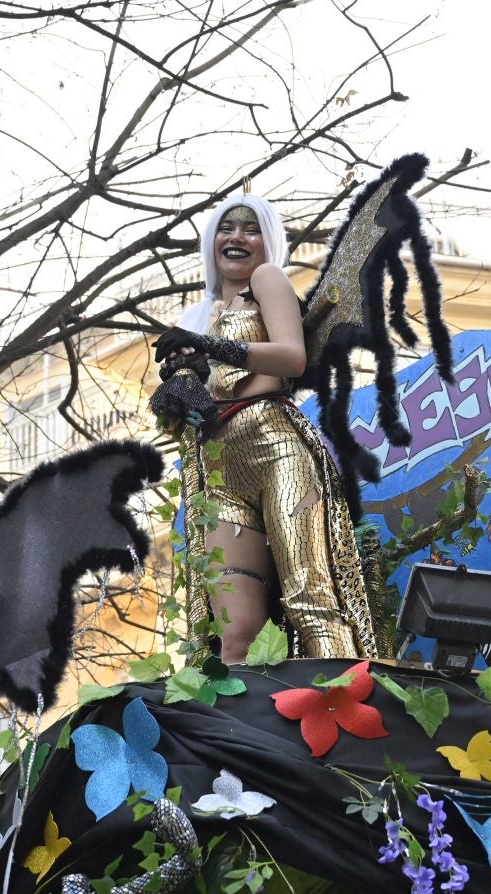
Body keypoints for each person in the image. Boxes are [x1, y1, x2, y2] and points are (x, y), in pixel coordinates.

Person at [154, 195, 376, 663]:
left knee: (310, 598)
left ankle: (344, 709)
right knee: (233, 632)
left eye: (249, 228)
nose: (236, 237)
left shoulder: (266, 279)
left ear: (267, 240)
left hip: (273, 443)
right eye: (226, 227)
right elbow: (187, 411)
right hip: (216, 466)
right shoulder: (197, 314)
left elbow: (291, 358)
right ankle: (244, 729)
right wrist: (178, 394)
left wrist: (208, 346)